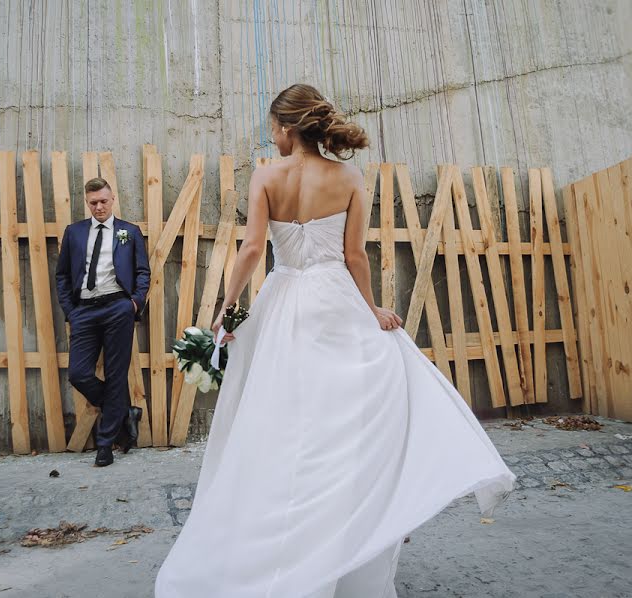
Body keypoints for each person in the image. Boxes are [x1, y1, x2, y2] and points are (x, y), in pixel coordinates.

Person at [155, 84, 515, 597]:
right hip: (333, 302)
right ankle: (339, 537)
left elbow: (253, 249)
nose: (270, 135)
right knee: (339, 422)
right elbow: (355, 257)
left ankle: (279, 542)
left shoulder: (265, 175)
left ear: (286, 128)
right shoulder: (347, 177)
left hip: (284, 302)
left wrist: (224, 311)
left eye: (272, 126)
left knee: (277, 424)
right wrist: (372, 310)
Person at [55, 177, 149, 467]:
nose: (99, 207)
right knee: (79, 373)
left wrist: (133, 302)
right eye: (93, 202)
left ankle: (105, 444)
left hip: (118, 308)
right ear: (87, 202)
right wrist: (71, 311)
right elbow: (62, 276)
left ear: (112, 200)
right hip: (84, 311)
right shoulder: (74, 233)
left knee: (115, 373)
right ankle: (123, 413)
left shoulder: (129, 232)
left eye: (103, 201)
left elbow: (143, 272)